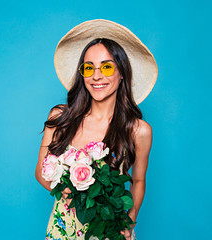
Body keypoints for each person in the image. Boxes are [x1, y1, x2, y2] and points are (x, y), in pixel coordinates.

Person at [35, 19, 158, 240]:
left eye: (107, 66)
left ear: (122, 73)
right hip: (63, 230)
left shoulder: (138, 130)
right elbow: (40, 172)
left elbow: (138, 181)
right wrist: (66, 189)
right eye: (89, 67)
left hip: (109, 231)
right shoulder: (59, 118)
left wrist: (129, 221)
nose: (96, 76)